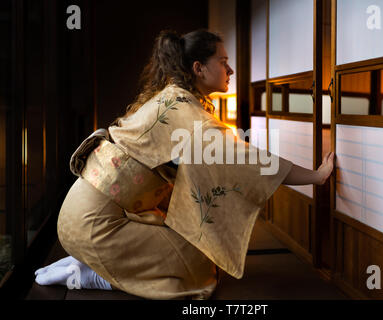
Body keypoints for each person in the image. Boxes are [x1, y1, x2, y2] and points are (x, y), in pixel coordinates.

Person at [34, 29, 335, 299]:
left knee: (200, 251)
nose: (230, 69)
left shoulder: (173, 98)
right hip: (95, 223)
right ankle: (96, 274)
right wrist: (316, 176)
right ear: (199, 68)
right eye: (223, 61)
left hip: (83, 214)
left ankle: (94, 261)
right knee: (197, 267)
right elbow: (251, 160)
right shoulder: (186, 110)